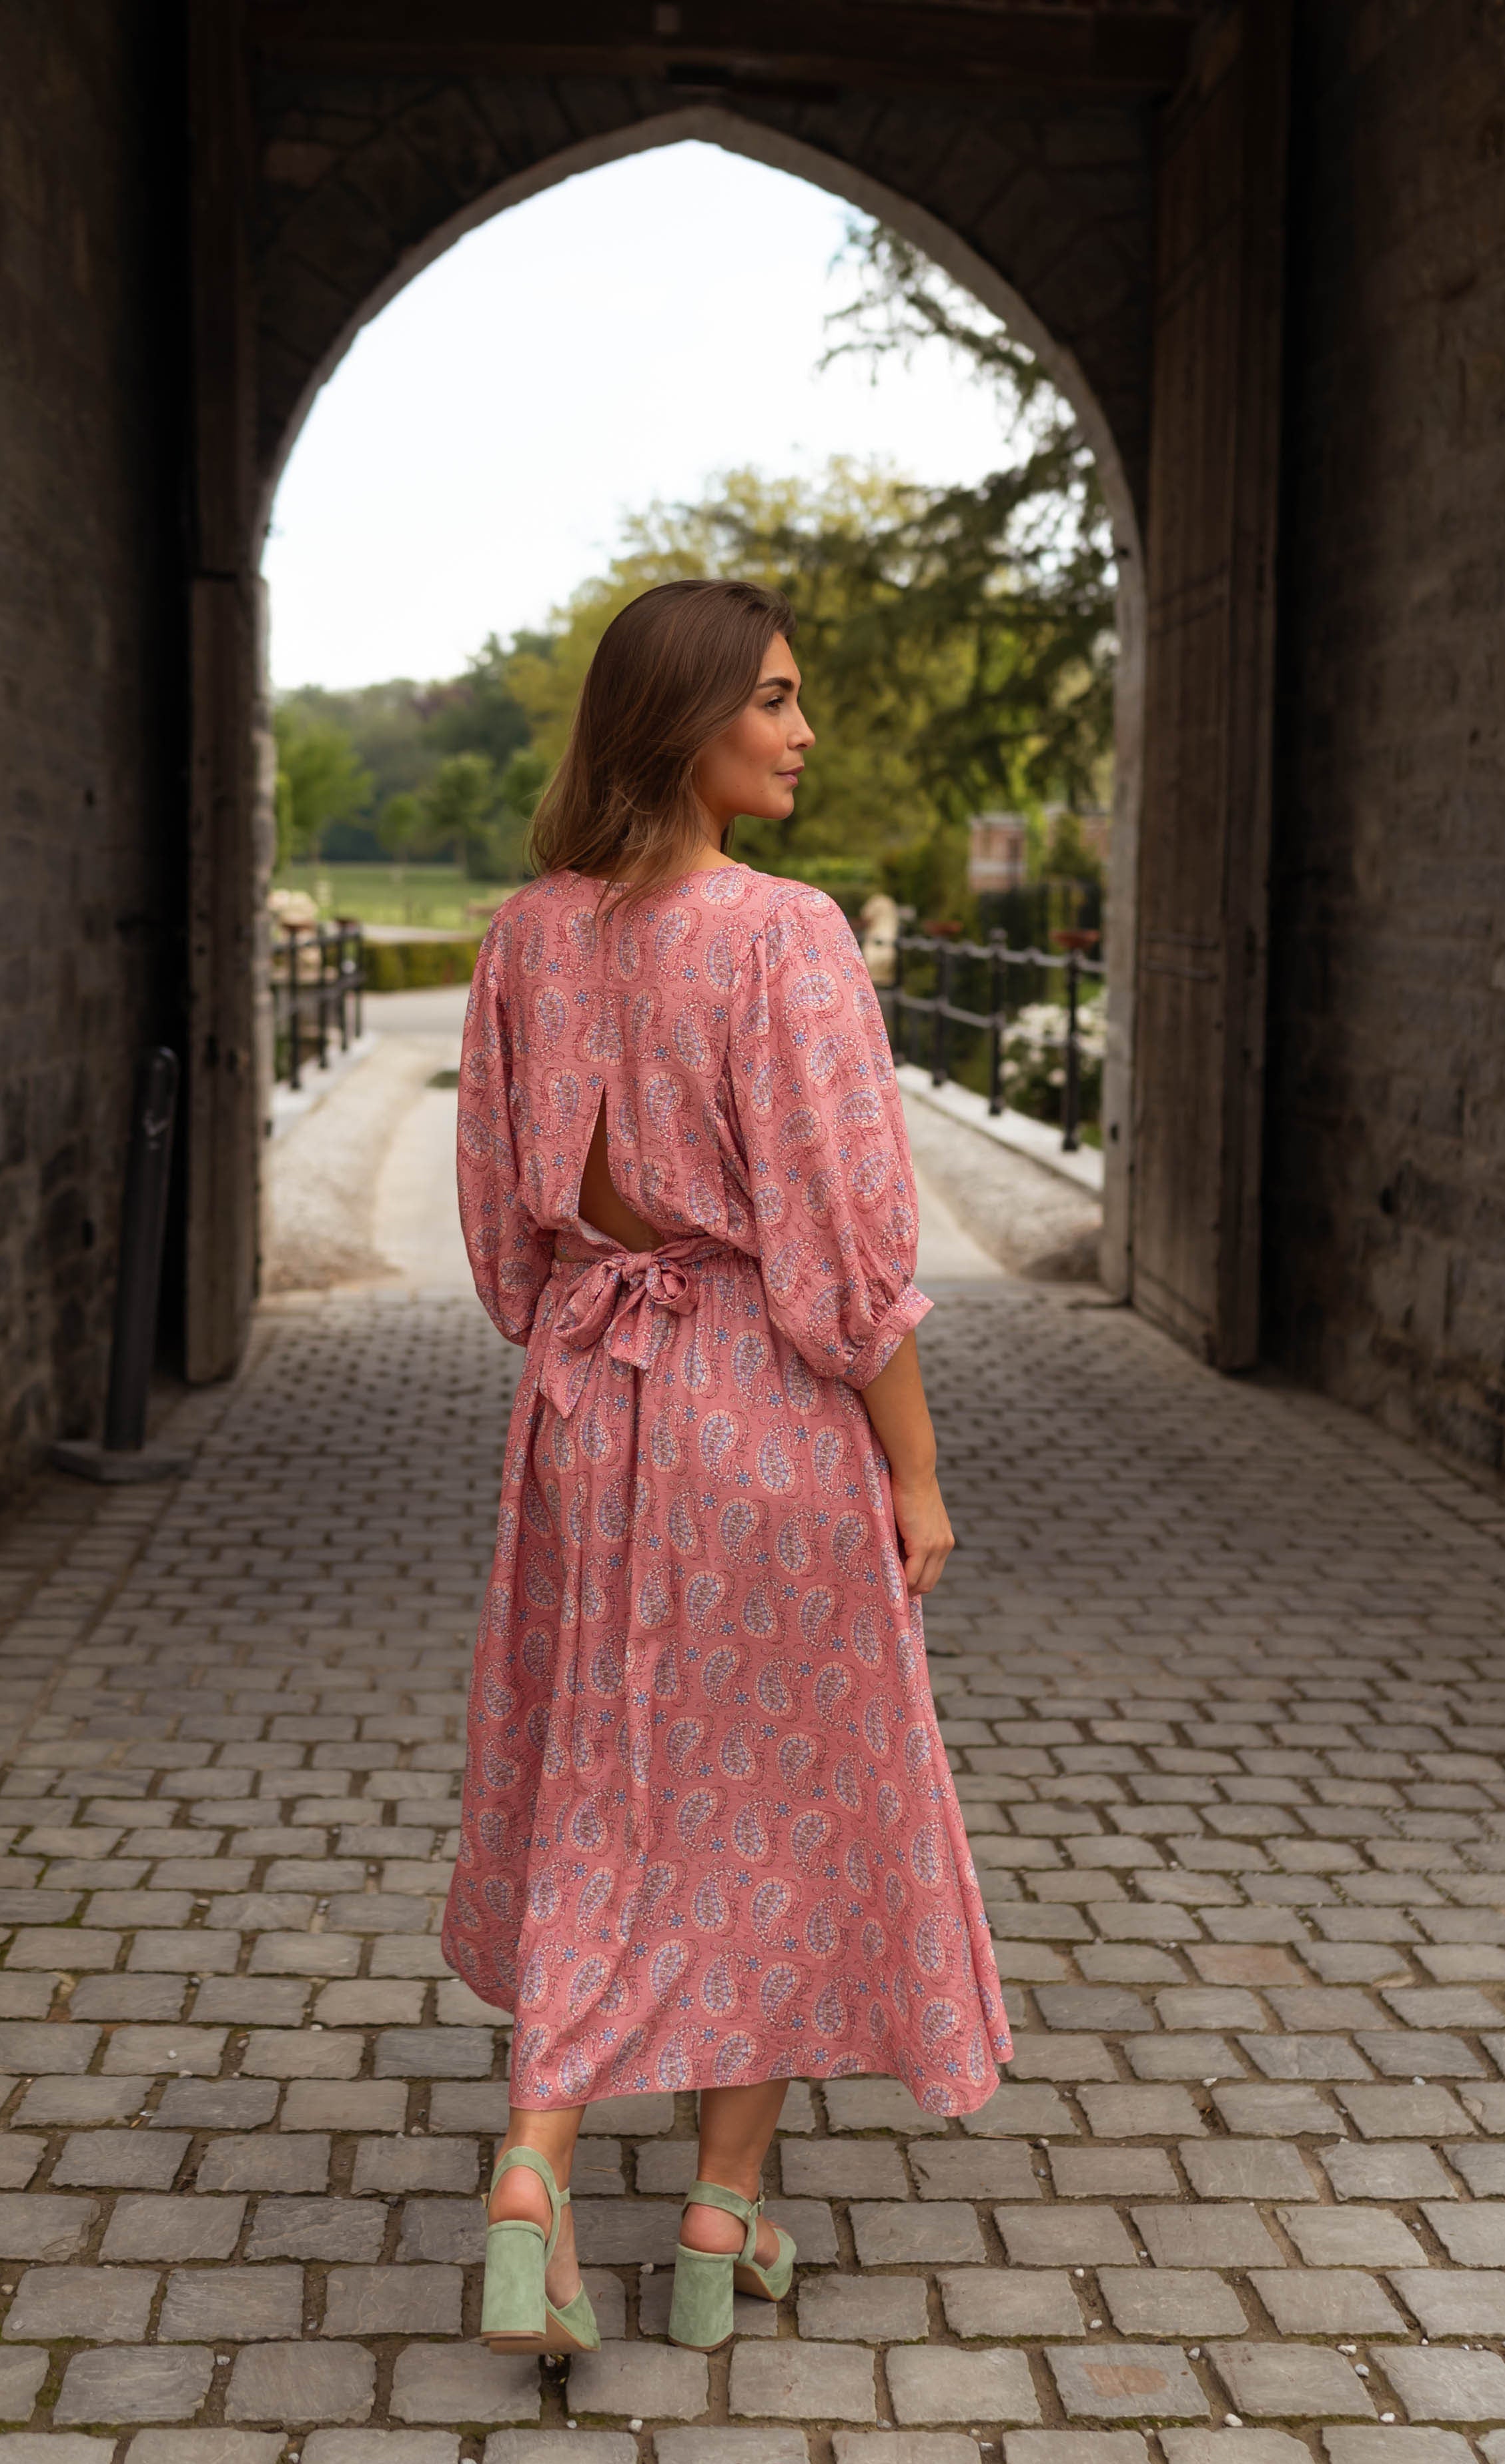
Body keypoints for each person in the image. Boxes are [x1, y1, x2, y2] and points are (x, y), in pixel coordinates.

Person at [446, 578, 1010, 2358]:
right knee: (767, 1801)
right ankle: (715, 2213)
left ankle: (539, 2168)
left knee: (597, 1778)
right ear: (678, 717)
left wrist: (577, 1349)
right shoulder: (781, 934)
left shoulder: (522, 937)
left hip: (581, 1410)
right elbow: (846, 1259)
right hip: (755, 1413)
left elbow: (493, 1237)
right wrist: (912, 1476)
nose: (799, 730)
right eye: (769, 698)